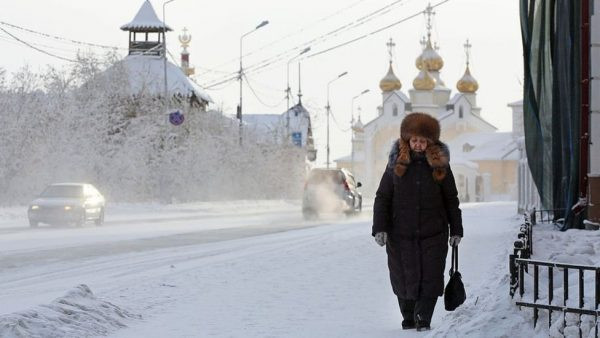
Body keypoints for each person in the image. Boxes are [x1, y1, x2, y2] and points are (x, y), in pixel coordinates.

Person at [372, 112, 463, 331]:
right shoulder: (395, 164)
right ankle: (408, 315)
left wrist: (456, 230)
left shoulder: (440, 165)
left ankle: (424, 317)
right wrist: (380, 228)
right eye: (414, 140)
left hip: (434, 232)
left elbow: (451, 199)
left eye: (423, 140)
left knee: (431, 276)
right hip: (400, 233)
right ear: (407, 140)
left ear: (431, 141)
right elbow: (383, 197)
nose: (419, 145)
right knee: (403, 276)